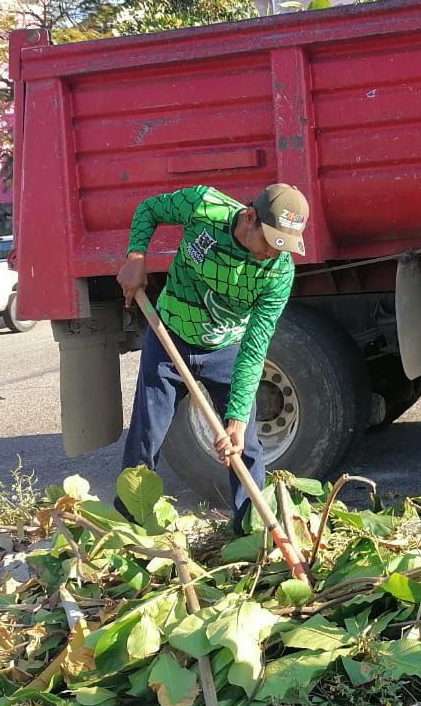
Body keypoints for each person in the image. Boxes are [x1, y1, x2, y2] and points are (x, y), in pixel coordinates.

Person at [114, 183, 308, 523]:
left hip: (227, 351)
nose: (274, 254)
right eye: (271, 242)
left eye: (284, 247)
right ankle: (130, 524)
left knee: (244, 445)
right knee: (146, 437)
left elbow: (256, 344)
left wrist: (235, 419)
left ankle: (252, 530)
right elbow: (149, 209)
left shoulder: (279, 272)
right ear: (249, 218)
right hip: (168, 338)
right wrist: (136, 257)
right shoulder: (203, 205)